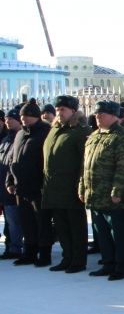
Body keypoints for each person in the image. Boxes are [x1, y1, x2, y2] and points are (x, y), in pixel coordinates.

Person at [80, 100, 124, 281]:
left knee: (119, 232)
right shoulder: (94, 136)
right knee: (101, 231)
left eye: (102, 114)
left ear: (113, 116)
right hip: (95, 194)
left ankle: (122, 265)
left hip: (113, 197)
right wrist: (82, 187)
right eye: (96, 114)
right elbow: (85, 166)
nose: (97, 116)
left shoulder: (123, 136)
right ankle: (108, 262)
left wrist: (117, 190)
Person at [41, 95, 91, 273]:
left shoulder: (80, 131)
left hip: (71, 188)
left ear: (73, 111)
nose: (59, 113)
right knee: (61, 226)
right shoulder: (55, 130)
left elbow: (84, 162)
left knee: (75, 227)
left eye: (63, 109)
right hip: (54, 188)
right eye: (57, 110)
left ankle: (78, 260)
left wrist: (81, 185)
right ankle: (67, 257)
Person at [8, 99, 54, 267]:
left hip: (38, 186)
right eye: (22, 116)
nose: (23, 119)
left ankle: (44, 253)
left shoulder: (45, 132)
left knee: (41, 222)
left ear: (36, 116)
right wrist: (10, 179)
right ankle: (30, 252)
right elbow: (13, 158)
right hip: (21, 186)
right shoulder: (20, 133)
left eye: (27, 116)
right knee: (26, 221)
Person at [0, 108, 23, 259]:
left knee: (14, 221)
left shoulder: (19, 138)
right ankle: (10, 246)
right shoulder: (6, 139)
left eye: (11, 119)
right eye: (7, 119)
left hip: (12, 185)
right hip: (3, 186)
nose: (8, 122)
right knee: (9, 220)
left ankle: (15, 248)